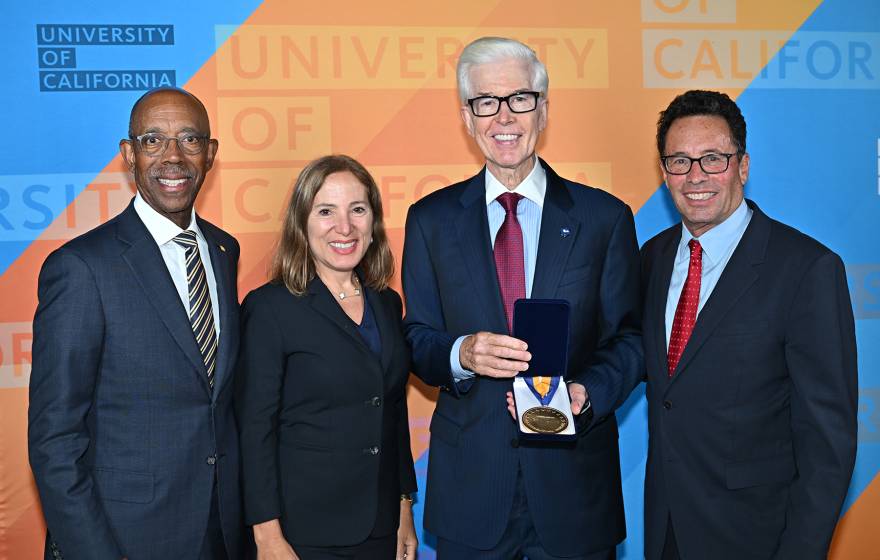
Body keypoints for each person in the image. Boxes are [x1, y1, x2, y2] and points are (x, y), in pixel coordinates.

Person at [402, 37, 643, 559]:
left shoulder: (604, 218)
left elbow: (630, 339)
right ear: (467, 119)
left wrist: (587, 393)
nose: (503, 116)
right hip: (472, 494)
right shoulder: (429, 221)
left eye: (519, 98)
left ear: (544, 110)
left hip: (575, 491)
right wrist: (462, 353)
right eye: (485, 102)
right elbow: (416, 339)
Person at [640, 89, 858, 559]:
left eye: (713, 158)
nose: (695, 175)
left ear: (742, 166)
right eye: (679, 161)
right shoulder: (651, 258)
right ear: (664, 172)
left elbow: (827, 442)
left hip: (757, 537)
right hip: (666, 530)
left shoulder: (806, 269)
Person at [28, 87, 244, 559]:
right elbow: (54, 439)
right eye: (153, 140)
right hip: (127, 538)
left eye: (189, 139)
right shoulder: (81, 267)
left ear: (210, 154)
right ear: (129, 154)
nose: (173, 157)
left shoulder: (224, 251)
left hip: (223, 532)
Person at [235, 155, 418, 560]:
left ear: (374, 221)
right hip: (301, 533)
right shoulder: (270, 308)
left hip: (379, 526)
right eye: (325, 211)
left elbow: (392, 410)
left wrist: (404, 504)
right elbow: (254, 428)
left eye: (358, 209)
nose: (344, 227)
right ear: (301, 224)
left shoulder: (387, 303)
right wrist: (267, 535)